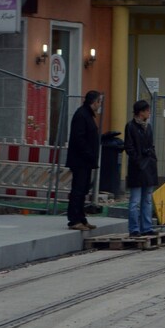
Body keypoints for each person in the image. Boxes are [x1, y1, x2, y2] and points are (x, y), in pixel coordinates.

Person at [65, 91, 102, 230]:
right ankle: (74, 220)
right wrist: (89, 153)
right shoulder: (82, 115)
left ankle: (81, 218)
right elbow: (79, 138)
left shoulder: (87, 115)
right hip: (80, 160)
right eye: (99, 102)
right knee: (78, 190)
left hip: (85, 161)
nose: (100, 105)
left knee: (83, 190)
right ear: (94, 102)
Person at [124, 99, 158, 237]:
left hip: (149, 167)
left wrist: (152, 158)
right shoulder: (131, 126)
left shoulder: (148, 127)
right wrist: (138, 161)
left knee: (147, 199)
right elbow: (129, 147)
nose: (149, 113)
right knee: (135, 200)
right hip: (137, 168)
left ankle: (147, 227)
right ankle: (134, 229)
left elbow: (151, 145)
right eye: (147, 110)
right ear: (141, 112)